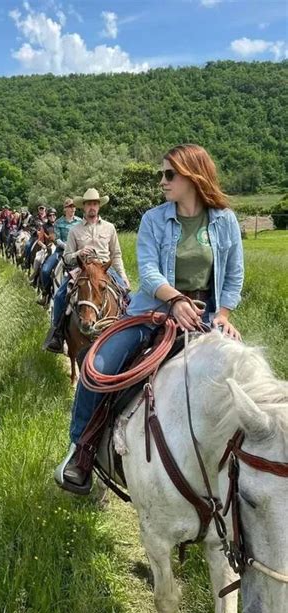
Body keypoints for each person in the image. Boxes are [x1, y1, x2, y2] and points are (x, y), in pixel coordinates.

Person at [54, 144, 244, 494]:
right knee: (98, 366)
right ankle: (80, 451)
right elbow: (151, 271)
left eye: (169, 174)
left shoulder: (225, 220)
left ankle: (254, 470)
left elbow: (233, 274)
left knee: (249, 376)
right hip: (152, 312)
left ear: (192, 175)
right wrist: (174, 301)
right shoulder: (154, 219)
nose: (161, 181)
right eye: (162, 174)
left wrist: (225, 315)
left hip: (206, 317)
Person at [43, 188, 131, 353]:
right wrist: (79, 253)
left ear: (99, 206)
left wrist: (123, 275)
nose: (92, 207)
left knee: (128, 296)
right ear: (84, 207)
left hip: (104, 270)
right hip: (82, 268)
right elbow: (68, 257)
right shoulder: (75, 231)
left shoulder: (109, 228)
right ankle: (57, 334)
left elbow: (116, 255)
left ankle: (131, 334)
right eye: (89, 204)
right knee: (61, 295)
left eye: (95, 204)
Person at [37, 198, 81, 305]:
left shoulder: (80, 221)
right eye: (70, 207)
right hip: (61, 251)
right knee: (45, 270)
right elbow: (57, 239)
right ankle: (46, 294)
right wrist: (68, 247)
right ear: (65, 209)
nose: (73, 209)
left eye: (74, 206)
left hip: (79, 252)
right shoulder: (58, 223)